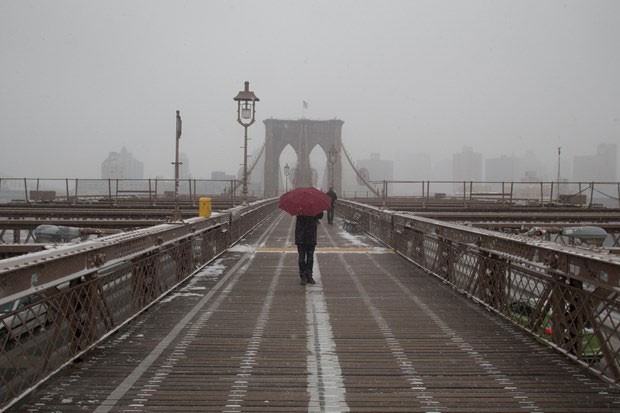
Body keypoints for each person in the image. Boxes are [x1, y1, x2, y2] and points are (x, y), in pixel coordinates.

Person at [295, 212, 323, 285]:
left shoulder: (298, 205)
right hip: (310, 234)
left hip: (301, 235)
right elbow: (320, 216)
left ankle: (304, 276)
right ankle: (308, 275)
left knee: (303, 257)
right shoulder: (314, 206)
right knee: (309, 257)